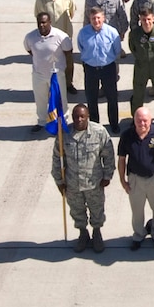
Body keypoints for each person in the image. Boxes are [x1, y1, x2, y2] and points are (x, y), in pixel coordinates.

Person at [51, 102, 114, 254]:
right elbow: (57, 158)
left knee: (97, 210)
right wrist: (59, 181)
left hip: (94, 183)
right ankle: (83, 234)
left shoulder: (99, 132)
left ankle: (97, 233)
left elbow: (108, 154)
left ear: (88, 117)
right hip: (72, 184)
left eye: (82, 116)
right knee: (77, 211)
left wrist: (107, 175)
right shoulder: (64, 134)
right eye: (76, 117)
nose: (79, 119)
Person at [117, 107, 154, 250]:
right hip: (135, 179)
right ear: (134, 120)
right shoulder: (126, 136)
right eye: (139, 120)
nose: (142, 123)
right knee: (137, 210)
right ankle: (138, 234)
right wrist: (123, 180)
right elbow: (122, 159)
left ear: (151, 120)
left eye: (145, 120)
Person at [76, 7, 125, 132]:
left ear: (103, 18)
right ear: (90, 19)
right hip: (90, 69)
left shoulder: (112, 32)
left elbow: (117, 50)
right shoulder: (83, 33)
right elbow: (81, 48)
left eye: (98, 18)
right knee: (91, 98)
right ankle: (94, 125)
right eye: (93, 18)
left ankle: (114, 123)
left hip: (108, 68)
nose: (96, 21)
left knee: (112, 97)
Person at [26, 10, 74, 132]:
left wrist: (68, 76)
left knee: (61, 99)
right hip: (39, 75)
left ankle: (63, 121)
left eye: (44, 23)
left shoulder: (61, 36)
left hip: (57, 75)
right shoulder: (30, 37)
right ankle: (42, 121)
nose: (41, 25)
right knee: (40, 99)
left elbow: (68, 55)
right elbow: (30, 51)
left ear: (50, 23)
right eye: (39, 23)